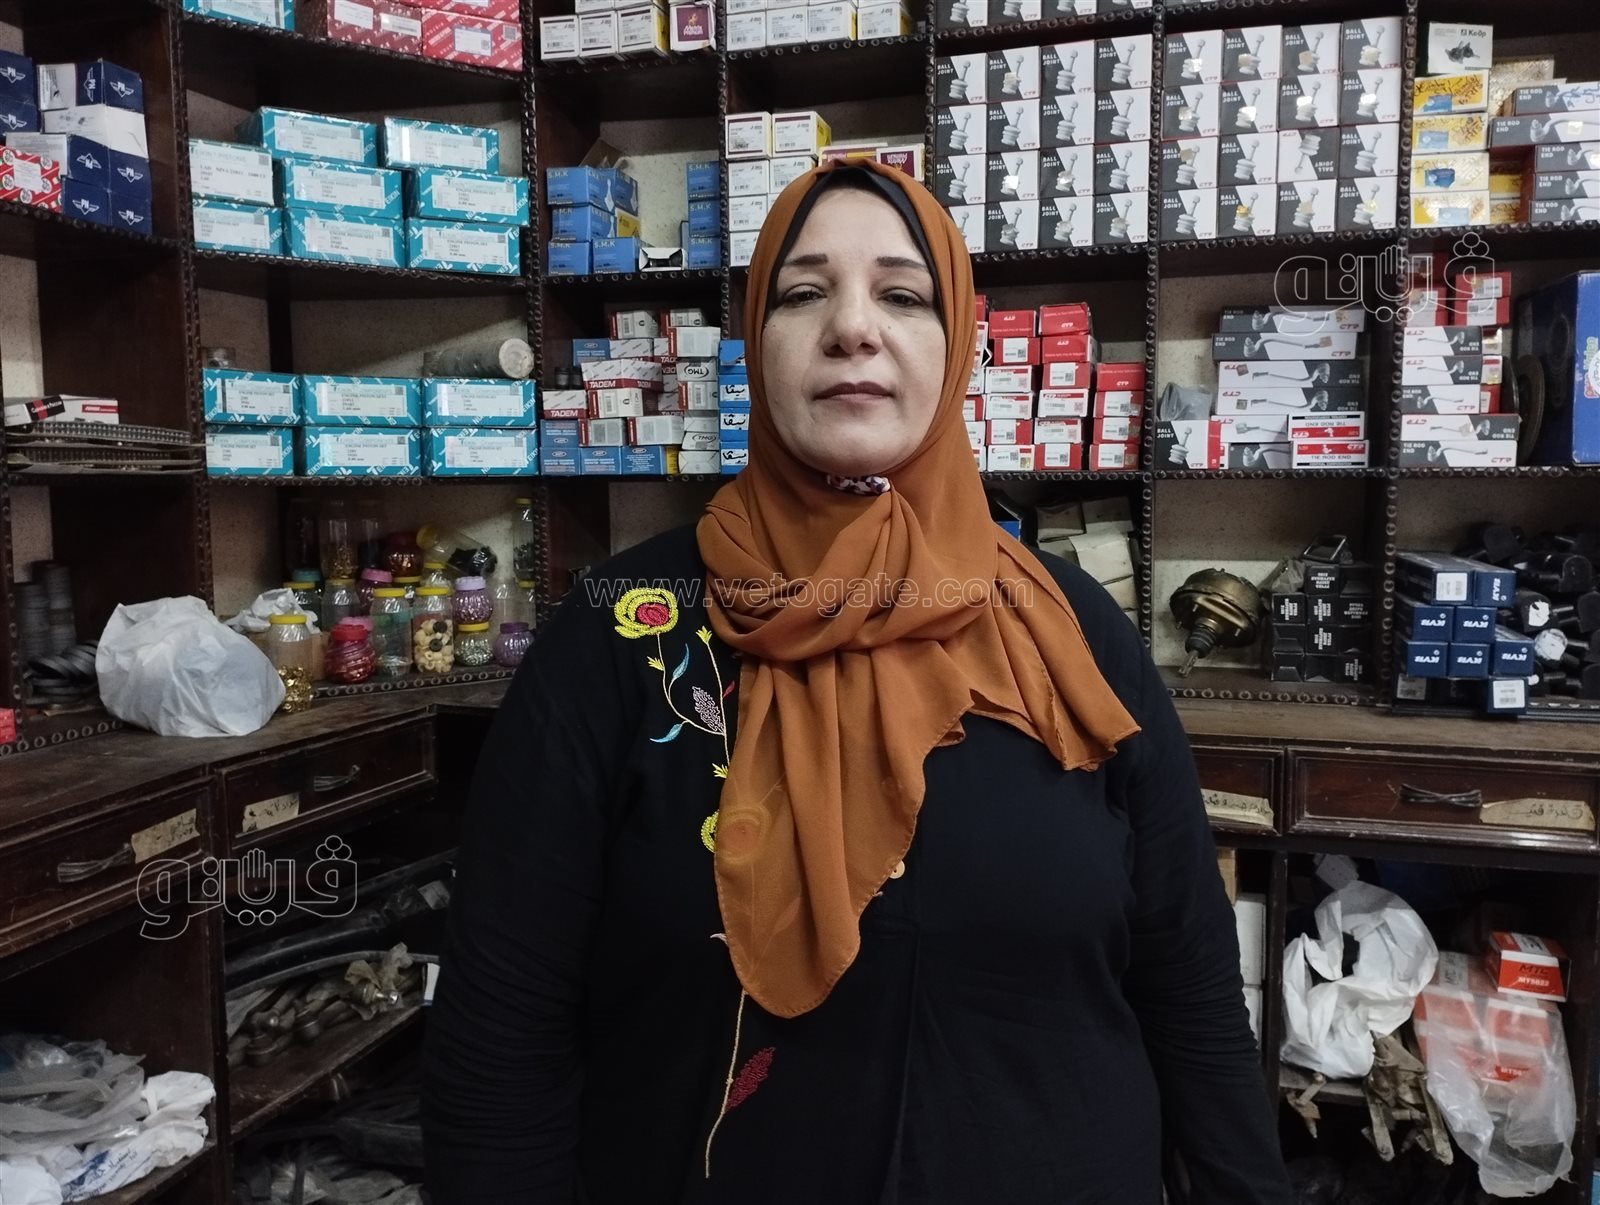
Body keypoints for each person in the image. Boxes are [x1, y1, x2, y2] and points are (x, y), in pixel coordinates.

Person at [421, 161, 1293, 1204]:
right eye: (802, 292)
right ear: (754, 343)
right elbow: (500, 1030)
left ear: (955, 343)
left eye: (902, 295)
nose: (851, 328)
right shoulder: (617, 632)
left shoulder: (1071, 632)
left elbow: (1190, 986)